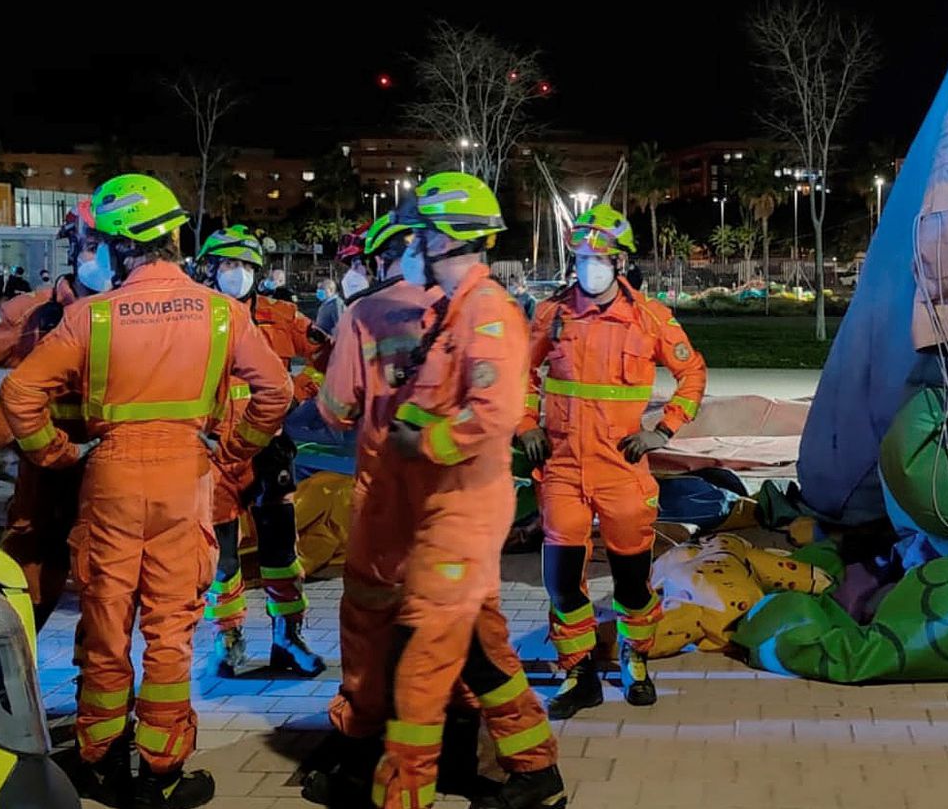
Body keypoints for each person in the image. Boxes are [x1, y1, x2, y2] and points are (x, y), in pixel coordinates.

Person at [1, 174, 292, 809]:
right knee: (170, 630)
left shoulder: (89, 316)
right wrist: (232, 452)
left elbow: (19, 394)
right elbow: (276, 393)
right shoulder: (223, 313)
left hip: (109, 479)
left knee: (107, 625)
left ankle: (101, 760)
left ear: (115, 247)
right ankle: (162, 771)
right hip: (185, 479)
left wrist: (56, 454)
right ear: (171, 236)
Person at [363, 173, 564, 809]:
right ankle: (536, 771)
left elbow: (493, 414)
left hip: (463, 509)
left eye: (422, 233)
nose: (413, 244)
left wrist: (418, 444)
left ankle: (405, 792)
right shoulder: (451, 313)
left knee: (420, 659)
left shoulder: (487, 313)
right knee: (482, 651)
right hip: (445, 505)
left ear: (447, 238)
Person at [302, 213, 468, 807]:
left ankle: (363, 746)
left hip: (384, 496)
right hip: (454, 494)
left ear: (377, 260)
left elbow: (337, 409)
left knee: (372, 619)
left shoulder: (362, 315)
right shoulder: (465, 306)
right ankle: (461, 747)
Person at [519, 203, 707, 717]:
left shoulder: (650, 319)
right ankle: (578, 671)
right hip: (561, 468)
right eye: (580, 256)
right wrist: (525, 424)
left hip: (622, 470)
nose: (589, 264)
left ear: (620, 262)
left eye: (599, 256)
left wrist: (662, 429)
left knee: (630, 580)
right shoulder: (551, 315)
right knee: (561, 578)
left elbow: (692, 377)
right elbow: (522, 375)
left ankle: (636, 657)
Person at [0, 208, 96, 630]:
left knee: (105, 587)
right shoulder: (31, 314)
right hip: (44, 467)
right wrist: (3, 430)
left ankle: (99, 688)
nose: (102, 258)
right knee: (29, 576)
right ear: (75, 249)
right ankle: (10, 670)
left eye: (111, 247)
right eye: (92, 246)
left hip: (107, 465)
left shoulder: (135, 316)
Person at [192, 224, 329, 678]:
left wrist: (299, 394)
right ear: (210, 270)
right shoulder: (194, 318)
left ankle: (287, 638)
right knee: (223, 560)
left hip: (268, 451)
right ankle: (229, 640)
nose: (236, 274)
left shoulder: (282, 316)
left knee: (280, 553)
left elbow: (329, 356)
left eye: (244, 265)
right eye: (227, 265)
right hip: (215, 456)